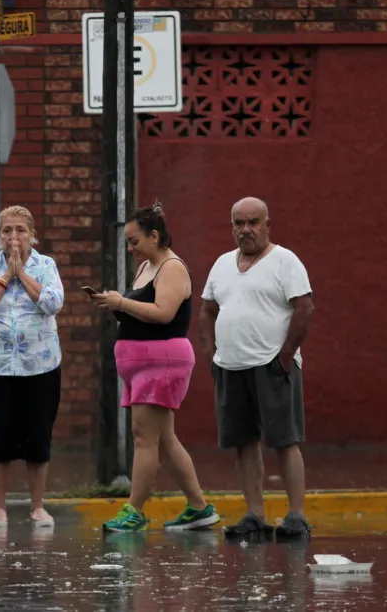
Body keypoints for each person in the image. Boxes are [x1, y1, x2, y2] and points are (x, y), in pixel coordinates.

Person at [88, 202, 221, 533]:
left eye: (135, 241)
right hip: (141, 363)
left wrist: (122, 302)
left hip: (162, 361)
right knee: (164, 440)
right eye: (128, 243)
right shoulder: (147, 266)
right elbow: (139, 309)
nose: (131, 248)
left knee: (143, 437)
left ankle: (134, 510)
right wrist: (115, 303)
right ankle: (199, 507)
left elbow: (163, 313)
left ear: (155, 235)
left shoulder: (172, 268)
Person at [199, 196, 315, 539]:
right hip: (231, 367)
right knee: (243, 441)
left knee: (285, 439)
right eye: (239, 223)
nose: (246, 230)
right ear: (232, 227)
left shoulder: (285, 261)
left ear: (267, 225)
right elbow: (207, 310)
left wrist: (285, 355)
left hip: (272, 365)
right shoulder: (221, 264)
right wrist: (211, 355)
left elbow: (304, 308)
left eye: (253, 222)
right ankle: (255, 514)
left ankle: (296, 515)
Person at [0, 205, 64, 529]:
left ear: (32, 234)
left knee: (38, 436)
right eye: (7, 231)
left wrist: (21, 272)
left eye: (20, 230)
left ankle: (38, 507)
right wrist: (6, 275)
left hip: (40, 367)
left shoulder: (46, 266)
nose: (13, 237)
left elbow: (53, 303)